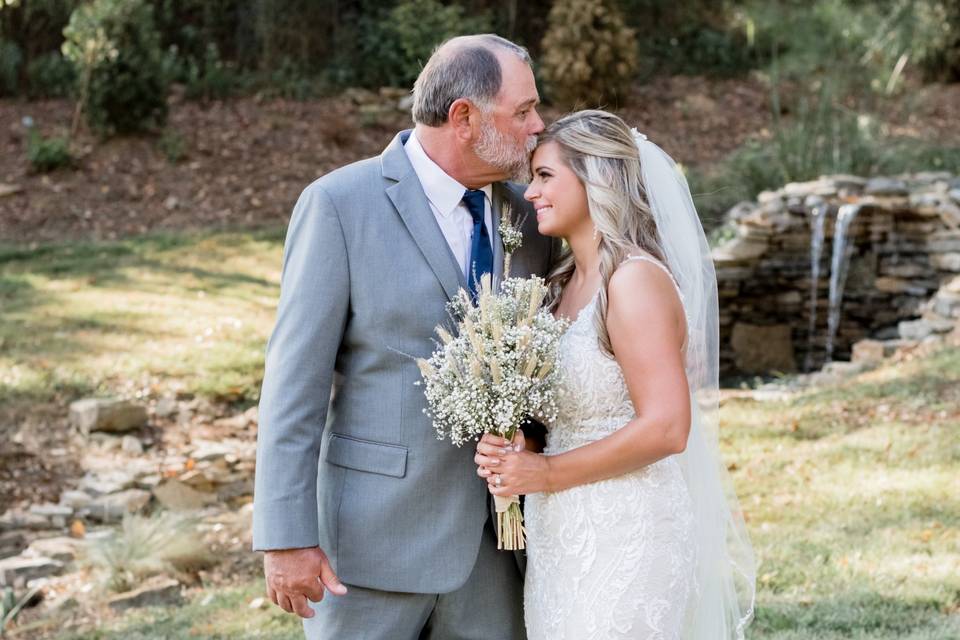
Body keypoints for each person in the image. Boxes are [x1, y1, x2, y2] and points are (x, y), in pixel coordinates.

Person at [252, 34, 557, 639]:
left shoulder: (532, 216)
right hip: (368, 550)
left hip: (496, 553)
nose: (538, 126)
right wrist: (285, 537)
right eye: (522, 111)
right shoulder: (339, 206)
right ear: (464, 117)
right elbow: (294, 385)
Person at [475, 110, 756, 639]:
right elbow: (560, 411)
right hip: (562, 534)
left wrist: (549, 473)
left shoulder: (634, 281)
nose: (530, 192)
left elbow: (669, 427)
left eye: (545, 176)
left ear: (596, 177)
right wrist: (521, 446)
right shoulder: (558, 286)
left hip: (628, 530)